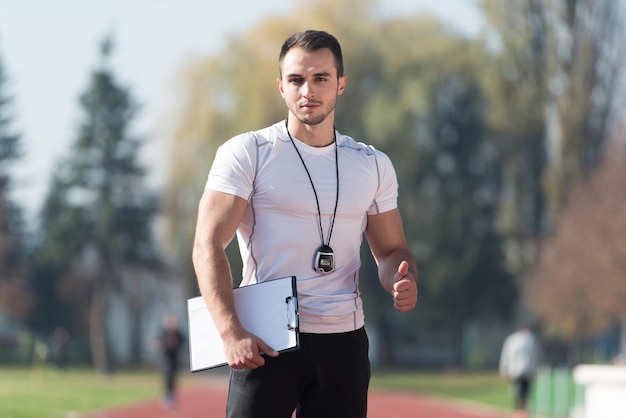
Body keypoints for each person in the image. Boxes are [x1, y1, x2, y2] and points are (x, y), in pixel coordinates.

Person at [192, 29, 418, 418]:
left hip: (344, 342)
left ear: (341, 84)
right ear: (281, 86)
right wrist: (231, 332)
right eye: (296, 80)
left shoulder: (371, 164)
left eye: (320, 79)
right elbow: (207, 244)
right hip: (266, 339)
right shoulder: (248, 153)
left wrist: (401, 279)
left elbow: (391, 252)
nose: (307, 90)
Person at [499, 325, 540, 418]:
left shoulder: (531, 340)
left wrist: (534, 370)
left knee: (525, 392)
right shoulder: (512, 340)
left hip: (527, 371)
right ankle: (518, 411)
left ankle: (523, 411)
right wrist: (504, 369)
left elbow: (534, 356)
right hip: (515, 371)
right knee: (517, 391)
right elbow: (506, 355)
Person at [157, 314, 185, 409]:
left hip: (175, 359)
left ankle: (171, 396)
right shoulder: (164, 333)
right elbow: (159, 343)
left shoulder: (178, 333)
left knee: (173, 379)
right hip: (166, 360)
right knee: (167, 378)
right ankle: (167, 397)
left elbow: (182, 342)